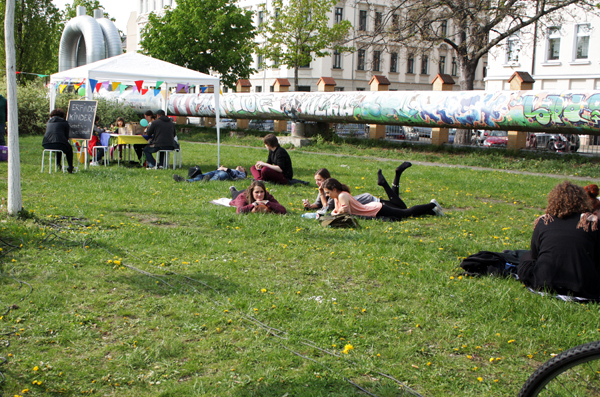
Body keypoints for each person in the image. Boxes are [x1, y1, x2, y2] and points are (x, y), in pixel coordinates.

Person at [518, 181, 600, 300]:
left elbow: (535, 254)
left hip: (544, 282)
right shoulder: (591, 223)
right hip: (583, 286)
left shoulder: (544, 221)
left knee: (526, 256)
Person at [322, 177, 443, 221]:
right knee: (404, 214)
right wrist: (335, 212)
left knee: (405, 213)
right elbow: (336, 212)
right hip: (372, 210)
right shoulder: (338, 196)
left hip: (376, 209)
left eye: (328, 192)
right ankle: (431, 211)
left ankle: (432, 205)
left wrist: (335, 212)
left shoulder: (342, 195)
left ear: (334, 189)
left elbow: (345, 212)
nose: (327, 195)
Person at [303, 168, 380, 215]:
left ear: (326, 179)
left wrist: (321, 193)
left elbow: (327, 207)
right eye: (316, 180)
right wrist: (309, 206)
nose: (317, 183)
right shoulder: (325, 189)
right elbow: (318, 204)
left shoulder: (333, 192)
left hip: (368, 200)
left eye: (319, 180)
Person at [42, 109, 74, 173]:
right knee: (69, 149)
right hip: (59, 143)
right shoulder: (64, 122)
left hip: (46, 144)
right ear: (62, 115)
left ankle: (58, 165)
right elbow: (66, 136)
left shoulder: (49, 122)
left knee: (59, 149)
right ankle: (70, 167)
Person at [173, 166, 247, 183]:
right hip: (217, 171)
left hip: (225, 173)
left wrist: (225, 169)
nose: (240, 167)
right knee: (201, 176)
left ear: (244, 171)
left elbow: (238, 177)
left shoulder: (242, 174)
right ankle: (187, 181)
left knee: (217, 176)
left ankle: (207, 181)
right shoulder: (234, 169)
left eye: (243, 168)